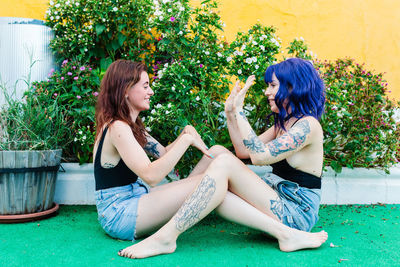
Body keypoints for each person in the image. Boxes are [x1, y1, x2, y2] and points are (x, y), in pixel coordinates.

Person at [96, 58, 327, 259]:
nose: (267, 92)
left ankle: (166, 237)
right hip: (122, 209)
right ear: (126, 90)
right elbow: (244, 152)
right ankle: (283, 234)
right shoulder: (119, 127)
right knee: (217, 163)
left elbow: (256, 155)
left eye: (272, 86)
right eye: (146, 86)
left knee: (218, 167)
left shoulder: (307, 126)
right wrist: (229, 114)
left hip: (297, 212)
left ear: (293, 87)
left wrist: (237, 113)